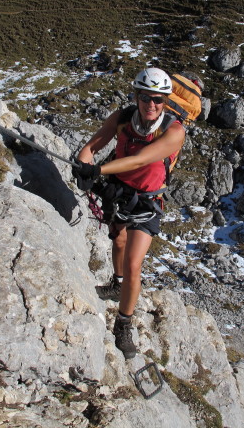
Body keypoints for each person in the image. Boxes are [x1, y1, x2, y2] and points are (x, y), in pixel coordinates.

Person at [72, 67, 186, 359]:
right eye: (146, 98)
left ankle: (124, 323)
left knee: (135, 262)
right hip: (119, 193)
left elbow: (140, 160)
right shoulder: (123, 119)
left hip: (148, 202)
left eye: (159, 100)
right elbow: (94, 144)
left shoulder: (174, 131)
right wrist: (82, 165)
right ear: (136, 96)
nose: (152, 105)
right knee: (118, 242)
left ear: (165, 101)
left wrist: (97, 170)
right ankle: (116, 284)